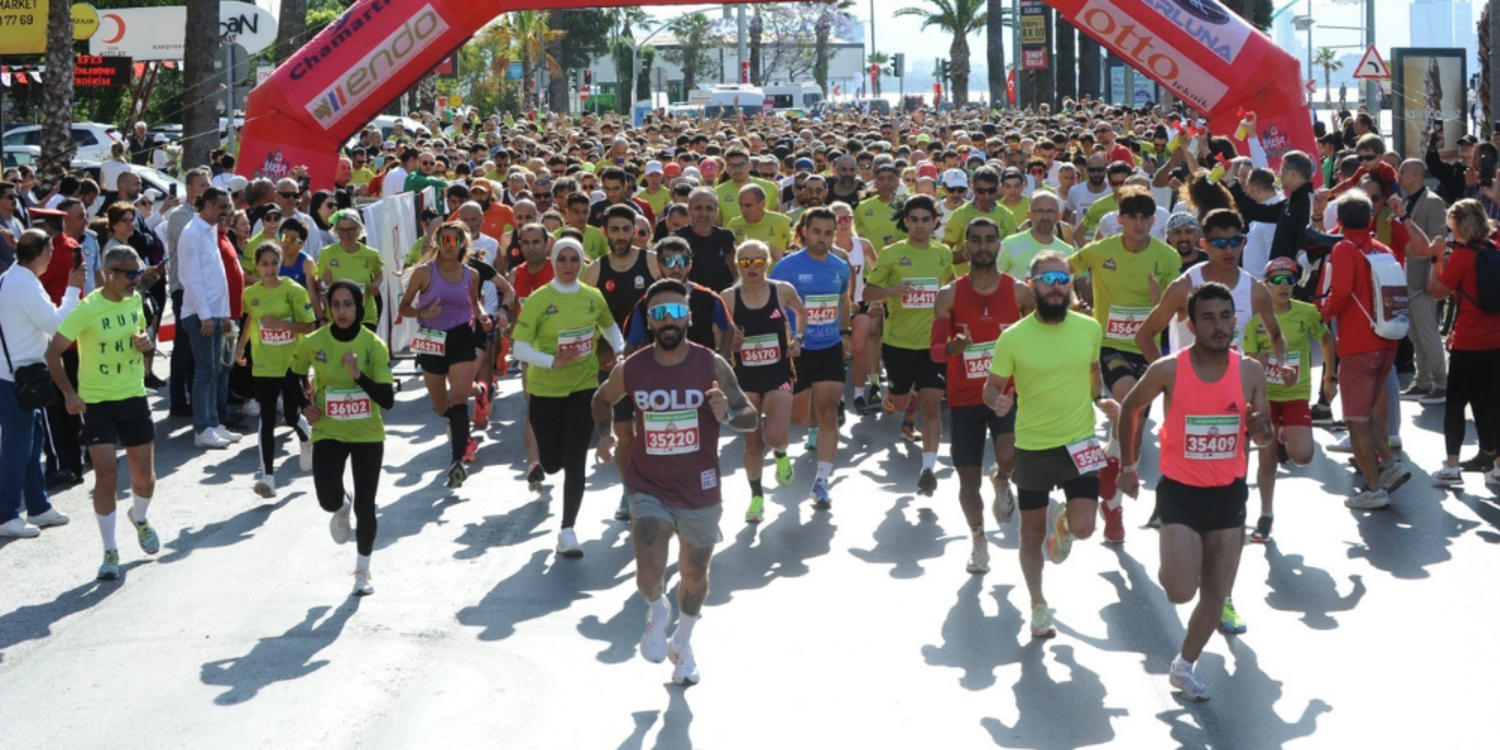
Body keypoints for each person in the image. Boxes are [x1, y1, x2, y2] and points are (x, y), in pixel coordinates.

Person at [592, 277, 760, 686]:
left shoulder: (711, 365)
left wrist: (726, 412)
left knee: (695, 576)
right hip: (648, 485)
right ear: (649, 321)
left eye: (676, 312)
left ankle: (682, 642)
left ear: (688, 317)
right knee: (650, 575)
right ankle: (657, 609)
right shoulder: (633, 367)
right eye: (660, 314)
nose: (668, 320)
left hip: (700, 488)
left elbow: (750, 418)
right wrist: (604, 434)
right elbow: (601, 398)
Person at [1115, 282, 1274, 702]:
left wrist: (1261, 430)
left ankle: (1184, 665)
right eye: (1208, 318)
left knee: (1216, 592)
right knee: (1180, 590)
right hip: (1181, 493)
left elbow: (1263, 435)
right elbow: (1130, 407)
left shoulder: (1250, 372)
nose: (1219, 325)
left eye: (1225, 316)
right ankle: (1176, 561)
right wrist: (1128, 467)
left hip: (1229, 494)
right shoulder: (1168, 369)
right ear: (1191, 324)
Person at [983, 250, 1115, 638]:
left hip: (1080, 441)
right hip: (1034, 446)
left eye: (1063, 280)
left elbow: (1092, 371)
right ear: (1032, 285)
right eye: (1048, 280)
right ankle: (1038, 605)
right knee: (1030, 535)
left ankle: (1065, 526)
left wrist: (1100, 398)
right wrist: (997, 400)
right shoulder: (1013, 337)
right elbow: (991, 386)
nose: (1057, 287)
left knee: (1085, 528)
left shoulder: (1089, 328)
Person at [1069, 186, 1181, 541]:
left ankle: (1112, 506)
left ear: (1154, 220)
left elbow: (1179, 307)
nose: (1138, 224)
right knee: (1127, 400)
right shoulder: (1101, 250)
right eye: (1131, 217)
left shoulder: (1167, 257)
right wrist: (1072, 303)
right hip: (1110, 345)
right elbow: (1063, 270)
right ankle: (1112, 484)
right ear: (1120, 220)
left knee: (1131, 437)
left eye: (1145, 218)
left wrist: (1160, 302)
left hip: (1147, 348)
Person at [46, 245, 160, 581]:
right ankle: (110, 551)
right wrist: (69, 394)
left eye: (138, 273)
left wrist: (147, 344)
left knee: (144, 479)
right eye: (130, 274)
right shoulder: (87, 309)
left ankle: (140, 519)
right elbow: (52, 353)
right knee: (106, 477)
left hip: (133, 396)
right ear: (110, 274)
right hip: (97, 403)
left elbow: (142, 336)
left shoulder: (135, 300)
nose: (136, 280)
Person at [931, 217, 1033, 573]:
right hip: (965, 398)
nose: (984, 246)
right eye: (976, 240)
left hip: (1006, 394)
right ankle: (978, 542)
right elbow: (935, 351)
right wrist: (952, 347)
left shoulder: (1019, 292)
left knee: (1009, 457)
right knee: (968, 481)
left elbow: (1040, 338)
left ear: (999, 244)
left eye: (990, 239)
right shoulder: (949, 294)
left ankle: (1002, 480)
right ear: (967, 246)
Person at [512, 237, 624, 556]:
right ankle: (550, 462)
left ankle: (568, 530)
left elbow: (610, 327)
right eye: (562, 259)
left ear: (582, 263)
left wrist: (619, 351)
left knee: (576, 459)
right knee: (551, 463)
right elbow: (519, 348)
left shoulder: (592, 296)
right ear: (553, 261)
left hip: (584, 385)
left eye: (575, 260)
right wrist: (552, 361)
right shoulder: (539, 299)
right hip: (545, 389)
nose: (568, 266)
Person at [291, 280, 395, 596]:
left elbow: (387, 399)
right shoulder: (315, 341)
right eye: (335, 305)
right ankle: (340, 505)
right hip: (329, 430)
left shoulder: (373, 344)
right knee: (327, 498)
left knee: (366, 505)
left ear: (358, 306)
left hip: (367, 434)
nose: (341, 311)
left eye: (348, 304)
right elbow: (291, 376)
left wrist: (358, 376)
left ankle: (363, 570)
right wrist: (304, 404)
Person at [1318, 190, 1410, 509]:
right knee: (1370, 412)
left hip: (1359, 344)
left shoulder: (1344, 248)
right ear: (1370, 218)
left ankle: (1374, 488)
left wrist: (1323, 313)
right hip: (1387, 341)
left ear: (1340, 221)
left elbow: (1341, 290)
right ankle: (1391, 464)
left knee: (1355, 419)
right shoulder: (1382, 248)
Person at [865, 194, 956, 496]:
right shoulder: (891, 254)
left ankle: (928, 469)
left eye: (925, 220)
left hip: (933, 344)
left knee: (931, 406)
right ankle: (894, 398)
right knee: (901, 404)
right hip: (898, 343)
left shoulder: (943, 253)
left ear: (935, 222)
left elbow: (952, 289)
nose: (920, 225)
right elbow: (867, 293)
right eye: (914, 220)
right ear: (905, 222)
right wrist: (892, 290)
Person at [0, 229, 84, 537]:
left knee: (32, 444)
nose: (53, 254)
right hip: (17, 380)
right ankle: (6, 514)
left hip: (20, 377)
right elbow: (57, 325)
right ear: (39, 254)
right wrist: (72, 290)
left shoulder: (17, 277)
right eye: (49, 249)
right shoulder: (23, 284)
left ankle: (37, 507)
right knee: (17, 449)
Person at [1242, 257, 1333, 542]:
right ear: (1266, 285)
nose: (1284, 287)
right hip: (1265, 398)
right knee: (1266, 460)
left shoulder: (1306, 312)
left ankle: (1285, 436)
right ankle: (1265, 515)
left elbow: (1327, 340)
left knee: (1303, 457)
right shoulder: (1255, 318)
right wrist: (1257, 357)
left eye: (1290, 281)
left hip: (1295, 395)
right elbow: (1245, 357)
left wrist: (1330, 378)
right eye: (1277, 281)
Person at [771, 207, 852, 507]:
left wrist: (845, 333)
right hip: (796, 351)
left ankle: (822, 481)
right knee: (799, 417)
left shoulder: (840, 266)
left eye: (828, 233)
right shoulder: (786, 267)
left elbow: (843, 299)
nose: (822, 239)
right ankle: (782, 450)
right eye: (816, 232)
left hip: (829, 347)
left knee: (828, 410)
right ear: (804, 231)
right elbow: (771, 303)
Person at [584, 204, 661, 521]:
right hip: (611, 359)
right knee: (624, 430)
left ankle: (658, 486)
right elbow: (586, 317)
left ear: (635, 231)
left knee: (654, 428)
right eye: (614, 230)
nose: (620, 235)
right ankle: (629, 491)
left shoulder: (652, 262)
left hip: (654, 356)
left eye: (626, 229)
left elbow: (673, 302)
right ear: (605, 232)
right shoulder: (595, 271)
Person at [399, 221, 488, 489]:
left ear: (463, 244)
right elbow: (403, 307)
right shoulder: (424, 272)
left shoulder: (471, 274)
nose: (449, 245)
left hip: (461, 337)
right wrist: (422, 312)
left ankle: (456, 462)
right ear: (437, 242)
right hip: (431, 338)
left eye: (455, 240)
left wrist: (483, 316)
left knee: (458, 399)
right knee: (441, 407)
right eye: (444, 240)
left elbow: (474, 302)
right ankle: (480, 391)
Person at [722, 240, 806, 523]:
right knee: (753, 445)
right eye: (745, 262)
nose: (752, 268)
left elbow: (801, 312)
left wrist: (798, 339)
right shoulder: (728, 298)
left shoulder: (782, 290)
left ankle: (780, 454)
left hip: (778, 374)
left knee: (776, 436)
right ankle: (756, 498)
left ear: (767, 263)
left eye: (758, 262)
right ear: (738, 265)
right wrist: (730, 340)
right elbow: (716, 334)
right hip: (745, 379)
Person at [1425, 199, 1500, 488]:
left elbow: (1437, 291)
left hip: (1469, 342)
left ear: (1459, 227)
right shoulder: (1493, 251)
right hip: (1495, 340)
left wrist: (1436, 258)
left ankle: (1452, 467)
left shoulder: (1462, 257)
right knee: (1493, 403)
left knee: (1456, 403)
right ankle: (1497, 468)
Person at [232, 243, 317, 498]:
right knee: (266, 419)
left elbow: (310, 326)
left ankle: (306, 438)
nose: (270, 269)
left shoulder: (294, 291)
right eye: (264, 264)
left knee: (291, 415)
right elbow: (251, 319)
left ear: (281, 263)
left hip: (291, 364)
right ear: (256, 266)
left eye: (274, 263)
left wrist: (280, 324)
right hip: (264, 366)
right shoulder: (251, 294)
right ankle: (267, 477)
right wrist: (241, 347)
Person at [178, 187, 237, 450]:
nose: (227, 212)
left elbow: (216, 276)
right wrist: (205, 315)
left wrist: (222, 314)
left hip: (213, 314)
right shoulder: (192, 233)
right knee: (205, 372)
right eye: (223, 206)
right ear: (209, 205)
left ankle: (213, 423)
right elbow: (191, 278)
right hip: (201, 315)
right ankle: (203, 428)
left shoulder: (210, 230)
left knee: (214, 371)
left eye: (228, 206)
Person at [317, 211, 385, 331]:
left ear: (358, 230)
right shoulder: (327, 253)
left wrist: (376, 284)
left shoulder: (371, 254)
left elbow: (379, 273)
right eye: (341, 230)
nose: (346, 234)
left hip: (365, 316)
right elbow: (319, 285)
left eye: (350, 229)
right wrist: (324, 283)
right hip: (338, 317)